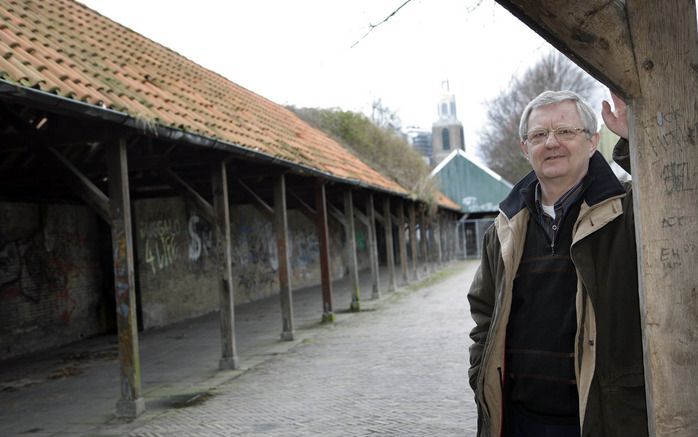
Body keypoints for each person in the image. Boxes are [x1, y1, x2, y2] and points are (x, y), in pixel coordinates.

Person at [467, 89, 648, 437]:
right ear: (525, 148)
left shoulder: (629, 212)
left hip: (601, 419)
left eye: (565, 131)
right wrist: (482, 376)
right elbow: (484, 315)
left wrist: (635, 143)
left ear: (593, 141)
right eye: (538, 135)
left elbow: (680, 200)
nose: (551, 142)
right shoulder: (504, 229)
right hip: (518, 421)